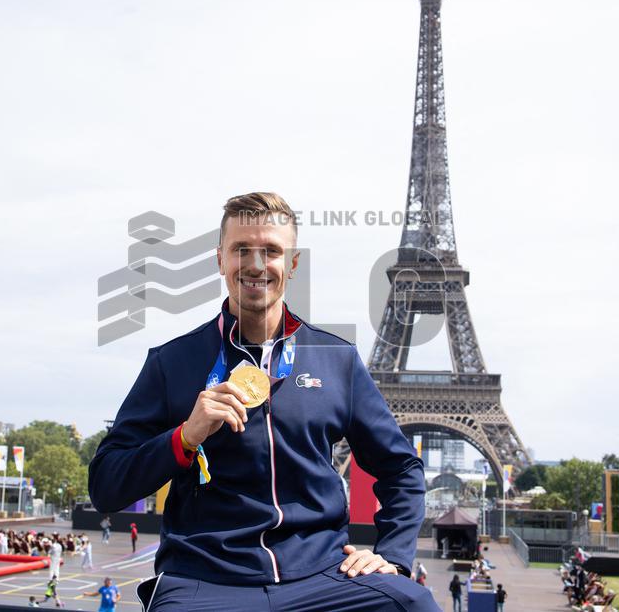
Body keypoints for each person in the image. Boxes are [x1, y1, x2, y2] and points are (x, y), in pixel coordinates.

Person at [88, 193, 433, 611]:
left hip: (322, 575)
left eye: (271, 251)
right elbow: (106, 485)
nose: (255, 264)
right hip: (204, 578)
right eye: (240, 250)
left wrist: (393, 555)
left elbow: (401, 469)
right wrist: (185, 437)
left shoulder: (337, 359)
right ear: (220, 259)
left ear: (293, 263)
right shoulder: (171, 362)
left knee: (412, 603)